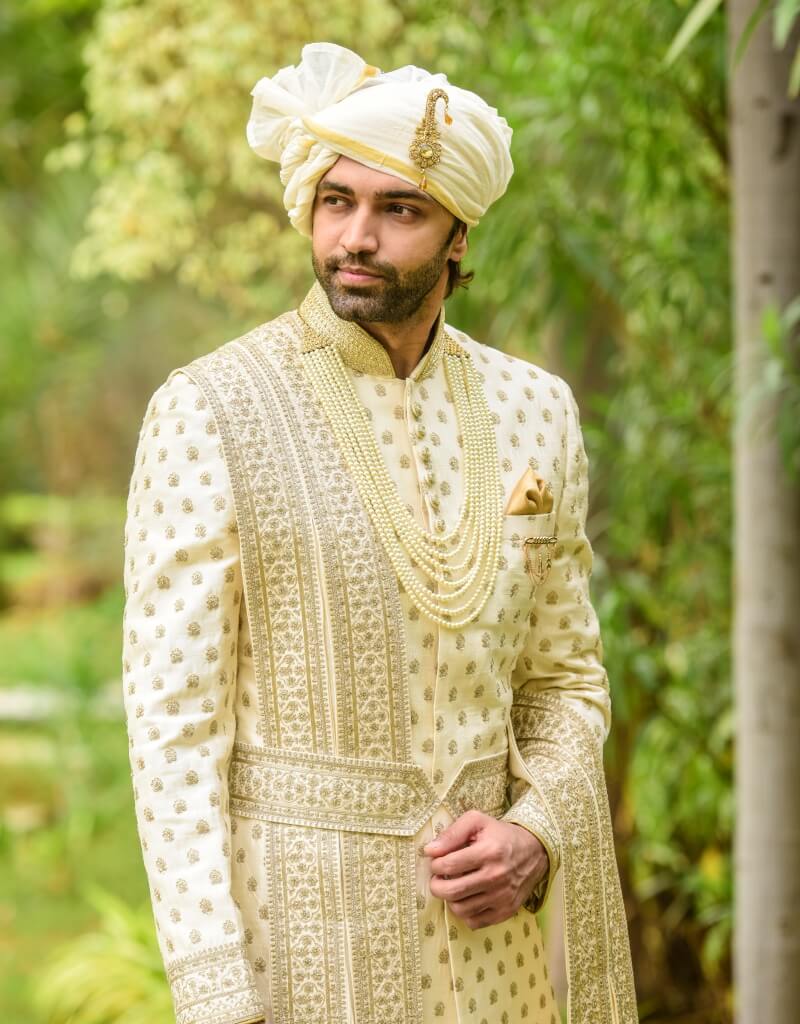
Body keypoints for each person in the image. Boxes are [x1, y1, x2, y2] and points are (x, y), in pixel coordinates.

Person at [121, 42, 637, 1024]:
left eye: (397, 209)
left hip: (495, 965)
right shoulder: (211, 409)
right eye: (334, 201)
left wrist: (534, 833)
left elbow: (564, 678)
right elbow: (171, 739)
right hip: (302, 953)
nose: (355, 236)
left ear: (455, 233)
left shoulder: (535, 408)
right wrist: (217, 992)